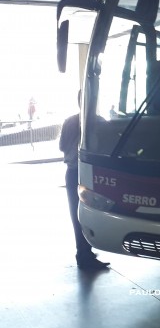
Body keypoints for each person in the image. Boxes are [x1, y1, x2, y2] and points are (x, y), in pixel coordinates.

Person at [59, 90, 109, 271]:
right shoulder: (100, 122)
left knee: (76, 214)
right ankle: (84, 254)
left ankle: (84, 251)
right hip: (90, 174)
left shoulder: (69, 121)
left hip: (71, 172)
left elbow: (61, 146)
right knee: (90, 213)